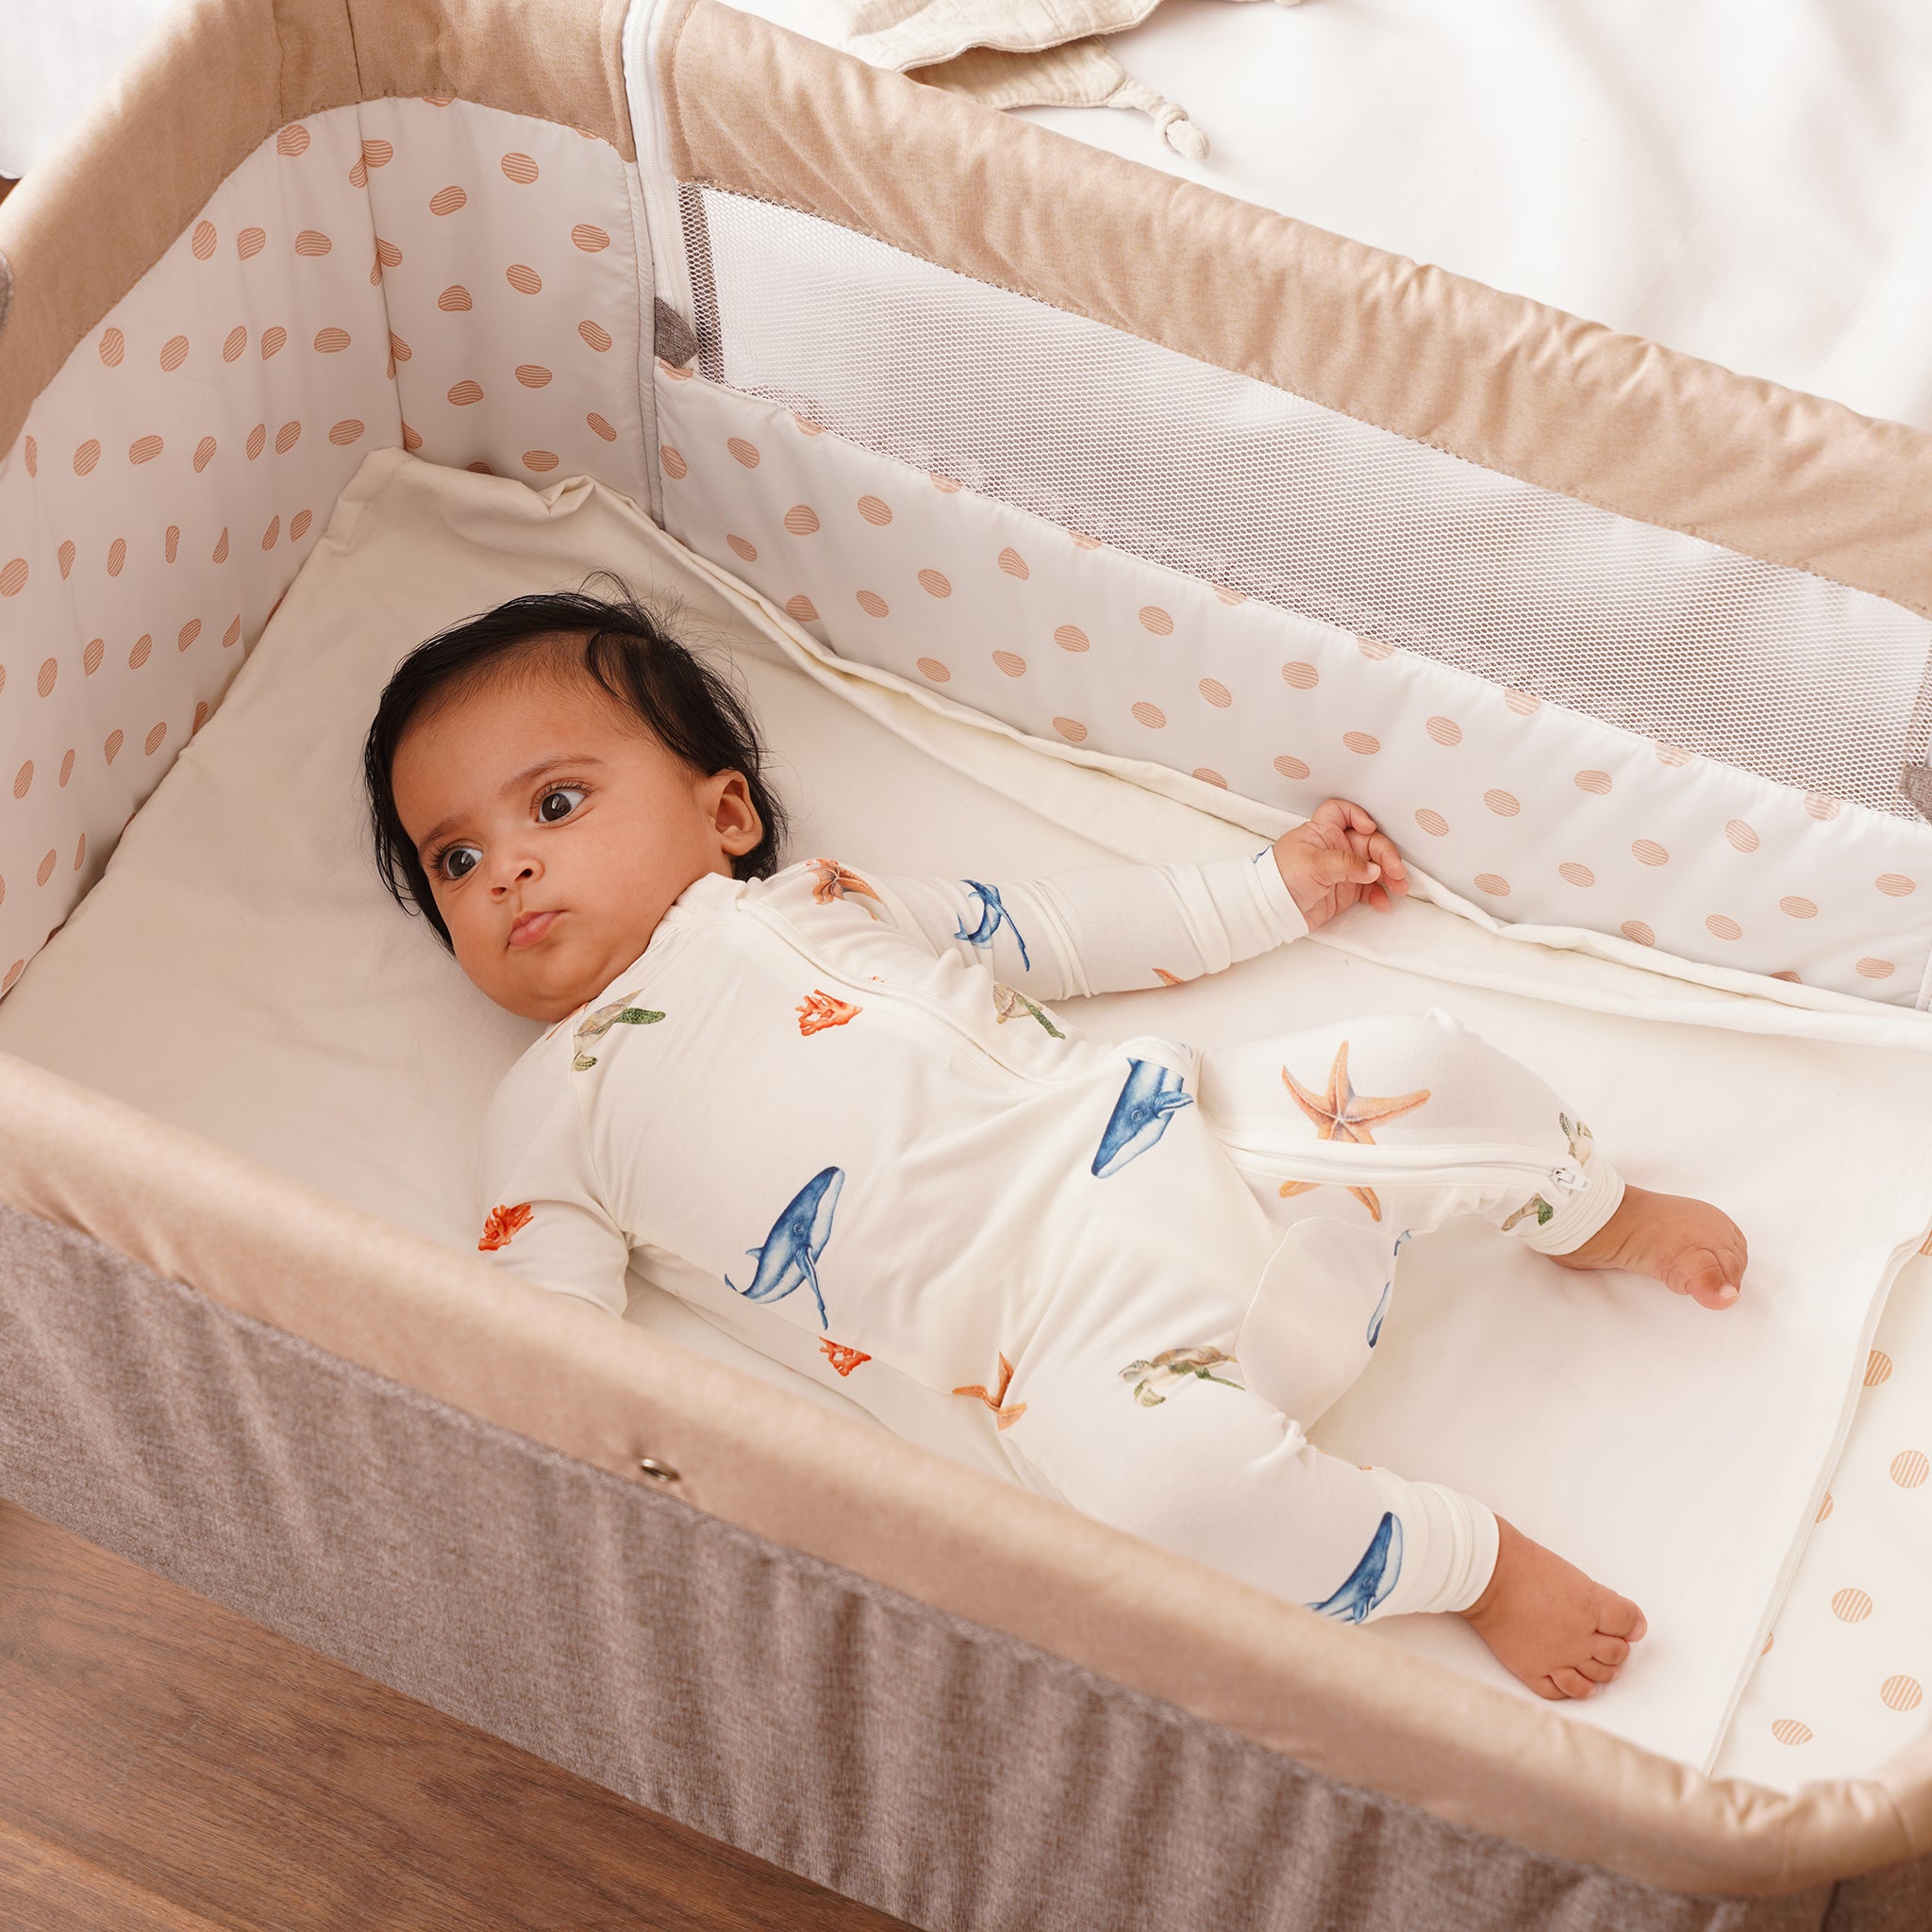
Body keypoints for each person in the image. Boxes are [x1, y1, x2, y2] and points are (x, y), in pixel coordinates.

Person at [365, 584, 1748, 1703]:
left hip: (1195, 1150)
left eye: (552, 806)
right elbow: (544, 1349)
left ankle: (1591, 1211)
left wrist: (1268, 891)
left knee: (1420, 1066)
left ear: (726, 814)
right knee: (1158, 1519)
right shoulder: (551, 1102)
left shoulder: (815, 904)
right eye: (455, 862)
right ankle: (1469, 1562)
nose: (510, 871)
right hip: (1065, 1360)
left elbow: (1056, 931)